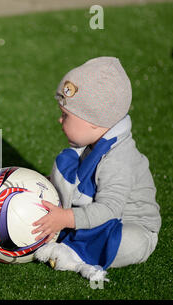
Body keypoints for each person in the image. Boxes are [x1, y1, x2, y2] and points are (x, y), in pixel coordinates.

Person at [32, 57, 161, 281]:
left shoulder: (118, 159)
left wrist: (65, 218)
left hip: (128, 225)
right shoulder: (95, 143)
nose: (59, 120)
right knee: (66, 163)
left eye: (66, 115)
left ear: (93, 121)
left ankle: (75, 254)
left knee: (129, 242)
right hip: (101, 215)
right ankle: (73, 237)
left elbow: (110, 209)